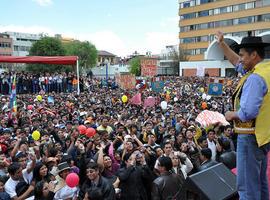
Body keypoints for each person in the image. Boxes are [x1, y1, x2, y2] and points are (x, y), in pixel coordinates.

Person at [216, 31, 270, 200]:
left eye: (242, 55)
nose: (239, 59)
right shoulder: (264, 69)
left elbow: (248, 112)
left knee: (246, 187)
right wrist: (222, 43)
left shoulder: (255, 78)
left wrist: (230, 114)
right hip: (262, 136)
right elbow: (235, 61)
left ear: (254, 55)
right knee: (260, 183)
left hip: (250, 137)